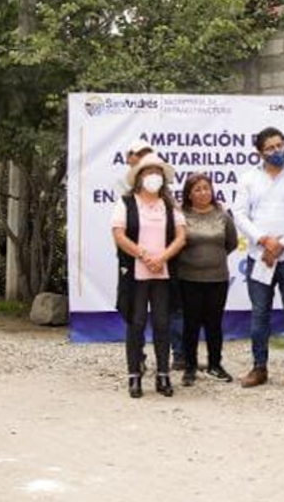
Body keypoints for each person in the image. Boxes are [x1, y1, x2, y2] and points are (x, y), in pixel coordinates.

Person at [233, 127, 284, 390]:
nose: (277, 150)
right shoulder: (248, 179)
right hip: (260, 257)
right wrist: (264, 240)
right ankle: (259, 368)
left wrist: (281, 243)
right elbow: (240, 214)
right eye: (270, 147)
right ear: (260, 152)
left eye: (280, 145)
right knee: (259, 315)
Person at [112, 153, 186, 398]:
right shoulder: (126, 202)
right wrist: (144, 255)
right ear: (139, 177)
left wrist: (162, 258)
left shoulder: (170, 204)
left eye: (157, 172)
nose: (153, 176)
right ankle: (134, 375)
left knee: (163, 324)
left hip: (163, 273)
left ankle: (163, 374)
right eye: (148, 171)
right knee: (136, 324)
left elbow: (181, 237)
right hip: (136, 272)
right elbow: (119, 235)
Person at [177, 172, 238, 385]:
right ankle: (190, 367)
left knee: (214, 324)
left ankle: (215, 364)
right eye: (197, 189)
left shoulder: (223, 215)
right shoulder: (181, 215)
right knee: (191, 324)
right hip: (188, 279)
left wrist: (212, 259)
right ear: (189, 194)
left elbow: (231, 243)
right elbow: (176, 243)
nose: (203, 192)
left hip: (217, 279)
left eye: (206, 188)